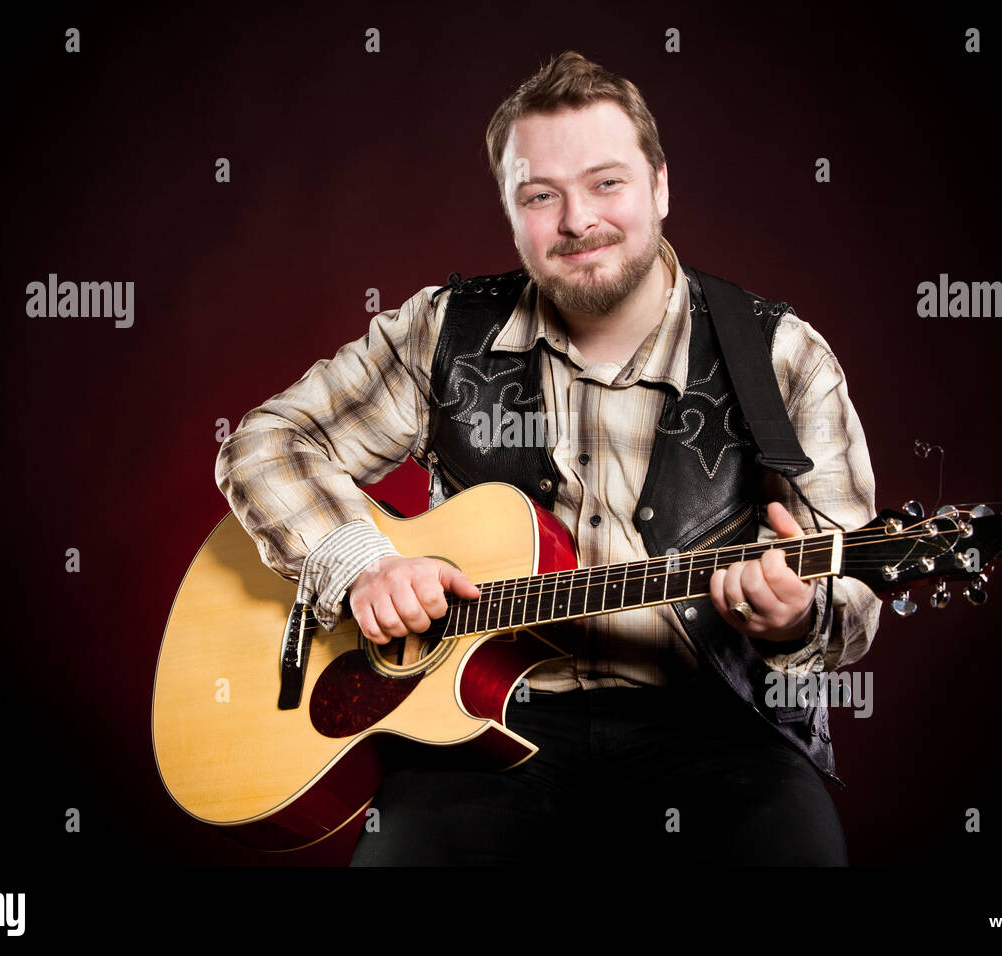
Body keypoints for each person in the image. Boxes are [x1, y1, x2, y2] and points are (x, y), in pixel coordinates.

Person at [215, 51, 881, 865]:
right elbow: (268, 440)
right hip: (483, 721)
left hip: (716, 727)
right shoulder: (441, 333)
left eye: (607, 183)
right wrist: (362, 565)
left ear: (660, 186)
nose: (577, 220)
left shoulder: (781, 356)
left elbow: (851, 592)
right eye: (541, 195)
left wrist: (798, 614)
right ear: (509, 208)